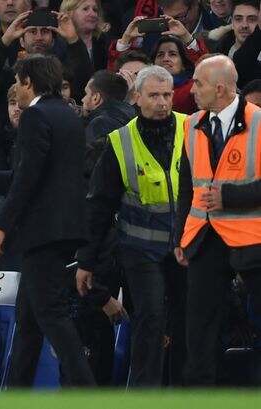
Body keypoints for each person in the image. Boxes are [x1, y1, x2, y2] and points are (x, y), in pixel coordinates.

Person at [0, 54, 95, 387]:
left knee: (51, 314)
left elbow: (29, 178)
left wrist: (1, 226)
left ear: (28, 82)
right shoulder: (67, 115)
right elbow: (42, 173)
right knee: (28, 320)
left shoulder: (35, 115)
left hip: (43, 230)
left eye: (18, 81)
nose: (16, 88)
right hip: (65, 227)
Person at [77, 65, 188, 387]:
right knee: (150, 320)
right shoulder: (119, 141)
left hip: (186, 247)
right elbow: (99, 205)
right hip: (140, 249)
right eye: (154, 95)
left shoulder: (191, 128)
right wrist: (86, 260)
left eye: (167, 95)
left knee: (187, 323)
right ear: (137, 97)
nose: (162, 102)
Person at [175, 55, 261, 386]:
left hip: (252, 238)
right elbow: (187, 186)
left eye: (198, 83)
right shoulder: (192, 123)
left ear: (220, 88)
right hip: (204, 236)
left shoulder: (258, 122)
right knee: (199, 328)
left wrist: (230, 197)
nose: (191, 90)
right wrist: (181, 236)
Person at [81, 70, 137, 145]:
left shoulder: (99, 124)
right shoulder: (135, 118)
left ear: (96, 98)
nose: (82, 99)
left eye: (86, 93)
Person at [216, 0, 260, 88]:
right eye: (238, 19)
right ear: (232, 23)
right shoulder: (220, 49)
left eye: (252, 19)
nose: (244, 25)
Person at [151, 35, 201, 114]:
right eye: (160, 55)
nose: (165, 59)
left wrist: (188, 38)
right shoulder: (145, 88)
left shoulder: (192, 88)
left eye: (172, 54)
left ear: (183, 64)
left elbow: (208, 70)